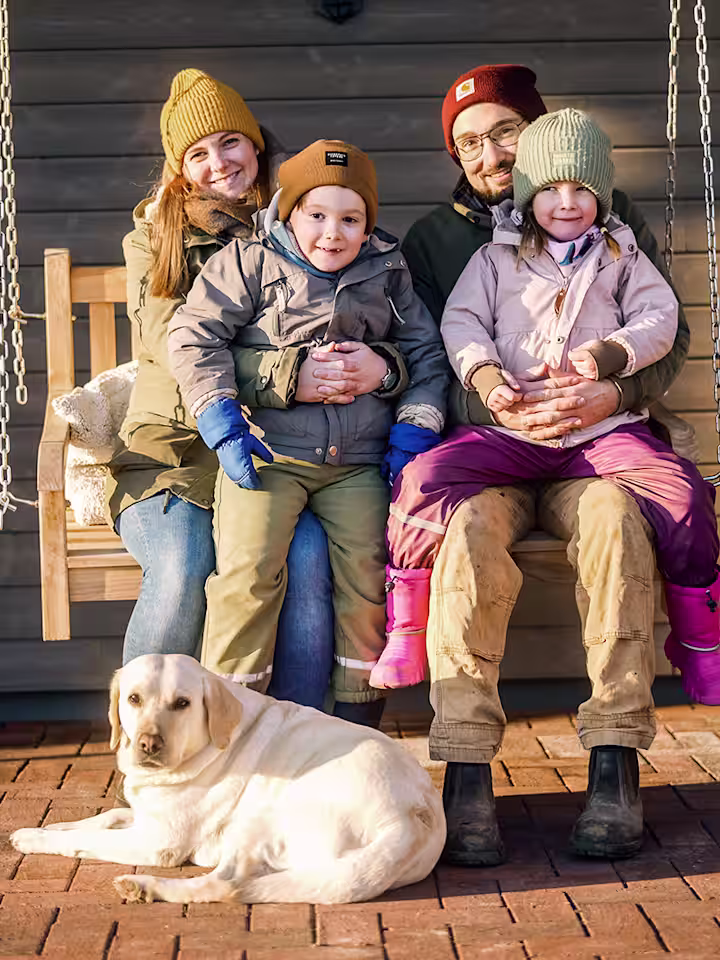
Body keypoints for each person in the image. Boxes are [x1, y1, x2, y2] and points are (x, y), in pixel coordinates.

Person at [400, 65, 693, 865]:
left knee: (616, 526)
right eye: (468, 143)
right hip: (493, 450)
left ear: (537, 138)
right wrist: (494, 401)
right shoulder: (436, 239)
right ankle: (464, 772)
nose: (488, 153)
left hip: (593, 447)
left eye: (502, 133)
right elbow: (432, 351)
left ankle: (614, 762)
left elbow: (667, 334)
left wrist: (611, 392)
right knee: (462, 542)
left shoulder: (611, 215)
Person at [388, 106, 719, 706]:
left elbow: (661, 318)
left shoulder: (621, 252)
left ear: (602, 193)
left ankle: (700, 640)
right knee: (421, 480)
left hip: (601, 434)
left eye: (582, 189)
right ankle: (407, 622)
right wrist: (488, 380)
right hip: (507, 436)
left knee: (683, 492)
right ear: (525, 196)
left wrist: (614, 358)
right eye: (550, 190)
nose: (566, 203)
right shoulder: (493, 258)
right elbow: (461, 324)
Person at [107, 71, 407, 719]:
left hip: (275, 458)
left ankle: (296, 743)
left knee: (306, 565)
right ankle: (148, 745)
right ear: (180, 169)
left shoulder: (304, 224)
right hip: (179, 459)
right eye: (198, 153)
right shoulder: (155, 242)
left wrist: (376, 367)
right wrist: (286, 375)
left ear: (256, 145)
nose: (220, 163)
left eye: (230, 142)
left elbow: (371, 323)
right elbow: (174, 346)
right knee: (185, 567)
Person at [167, 139, 450, 713]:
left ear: (368, 225)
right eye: (316, 215)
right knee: (247, 575)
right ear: (288, 213)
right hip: (269, 454)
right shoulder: (249, 262)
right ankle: (231, 712)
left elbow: (426, 354)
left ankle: (356, 712)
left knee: (370, 576)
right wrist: (219, 416)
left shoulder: (387, 272)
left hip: (359, 463)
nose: (332, 233)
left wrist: (413, 426)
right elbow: (194, 336)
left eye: (350, 219)